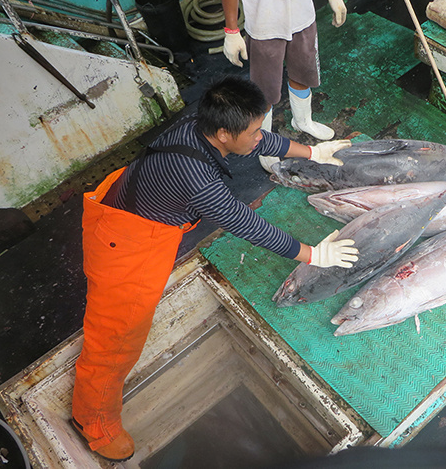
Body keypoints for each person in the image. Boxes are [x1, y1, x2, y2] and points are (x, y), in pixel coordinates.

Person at [71, 76, 358, 462]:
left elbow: (260, 140)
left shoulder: (198, 126)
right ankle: (93, 421)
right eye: (254, 130)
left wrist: (311, 153)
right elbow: (244, 223)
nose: (260, 136)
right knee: (115, 342)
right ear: (224, 134)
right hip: (127, 251)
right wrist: (312, 254)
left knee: (118, 336)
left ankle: (94, 412)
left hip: (130, 210)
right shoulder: (198, 179)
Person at [221, 0, 347, 170]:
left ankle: (303, 120)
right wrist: (232, 31)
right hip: (264, 26)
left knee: (303, 73)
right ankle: (262, 142)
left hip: (302, 17)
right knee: (263, 92)